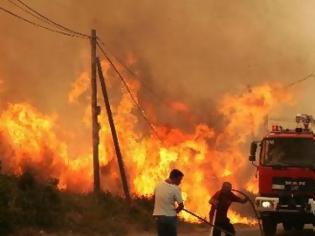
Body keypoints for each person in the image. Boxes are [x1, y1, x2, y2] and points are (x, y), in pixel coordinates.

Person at [153, 169, 184, 236]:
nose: (180, 182)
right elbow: (181, 206)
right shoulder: (175, 188)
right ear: (175, 178)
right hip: (170, 218)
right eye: (179, 180)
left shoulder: (158, 185)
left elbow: (154, 198)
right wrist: (175, 212)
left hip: (159, 217)